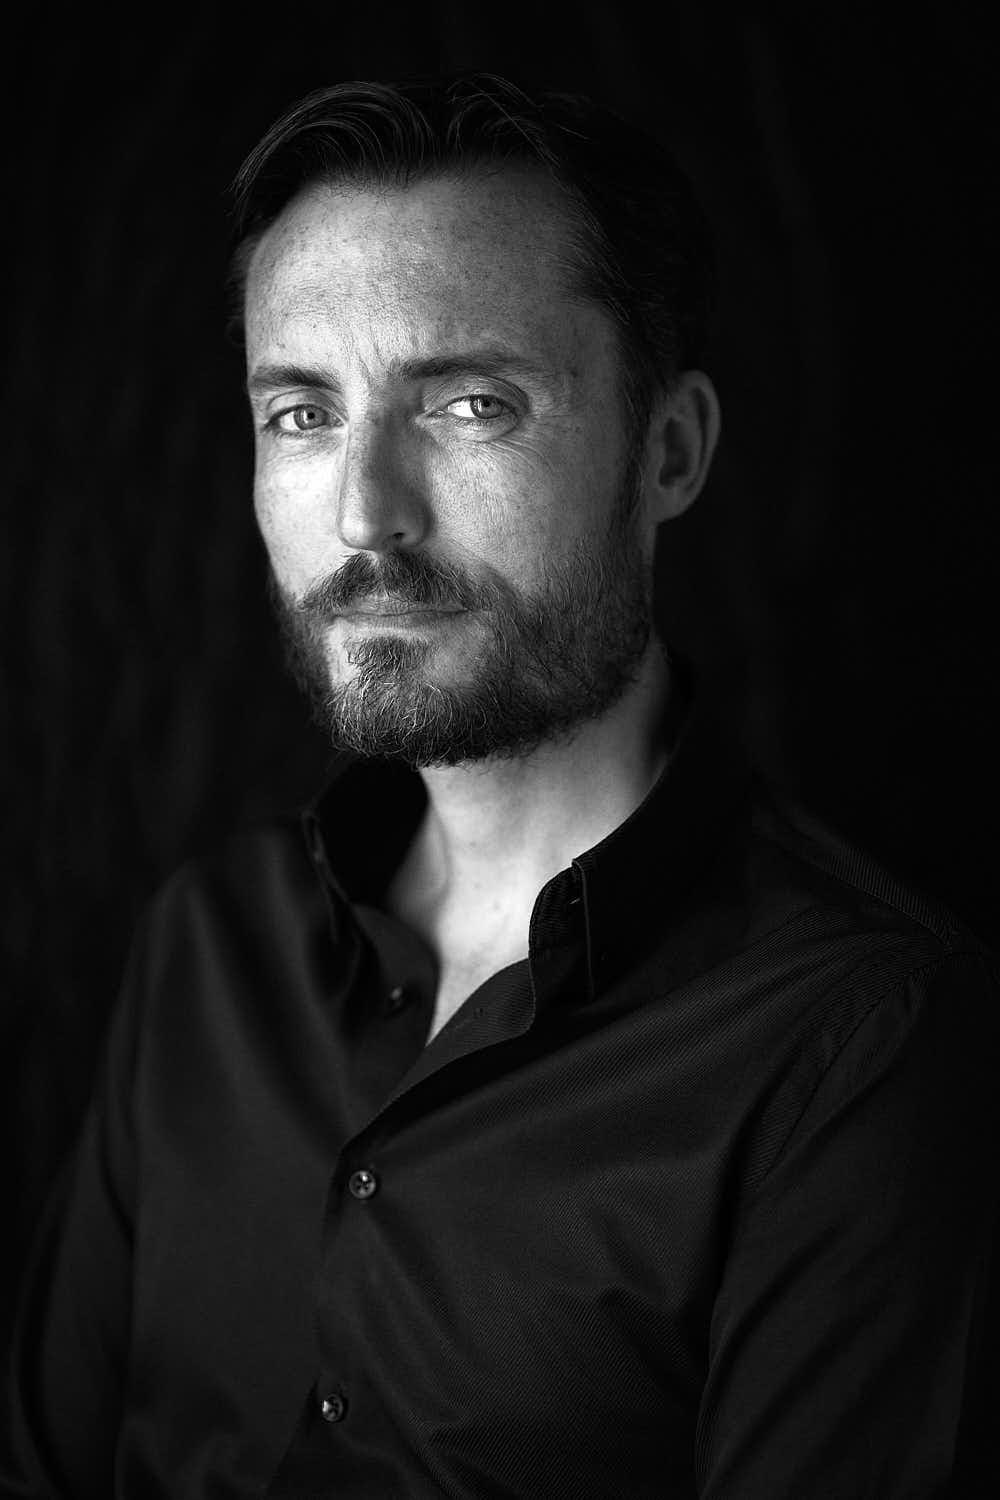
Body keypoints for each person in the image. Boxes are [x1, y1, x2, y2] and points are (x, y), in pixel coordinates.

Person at [3, 74, 998, 1500]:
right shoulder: (208, 946)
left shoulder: (856, 1048)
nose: (365, 512)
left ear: (669, 452)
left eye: (471, 405)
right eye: (301, 413)